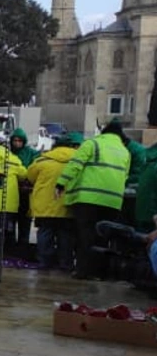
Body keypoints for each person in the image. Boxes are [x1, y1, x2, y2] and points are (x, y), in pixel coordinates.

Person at [56, 118, 131, 279]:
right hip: (113, 201)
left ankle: (84, 271)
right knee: (103, 237)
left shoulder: (93, 144)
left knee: (85, 236)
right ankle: (99, 272)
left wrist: (61, 183)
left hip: (88, 199)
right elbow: (125, 176)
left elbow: (75, 165)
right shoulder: (125, 152)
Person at [28, 132, 81, 271]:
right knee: (66, 236)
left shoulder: (41, 160)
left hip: (45, 205)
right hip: (68, 204)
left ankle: (44, 263)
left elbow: (30, 176)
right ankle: (65, 264)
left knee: (45, 233)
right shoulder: (78, 162)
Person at [9, 128, 39, 252]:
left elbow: (34, 169)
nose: (17, 143)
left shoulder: (31, 153)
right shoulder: (8, 152)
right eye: (15, 140)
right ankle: (10, 248)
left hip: (25, 193)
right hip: (11, 191)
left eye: (19, 140)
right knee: (10, 223)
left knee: (25, 222)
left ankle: (23, 248)